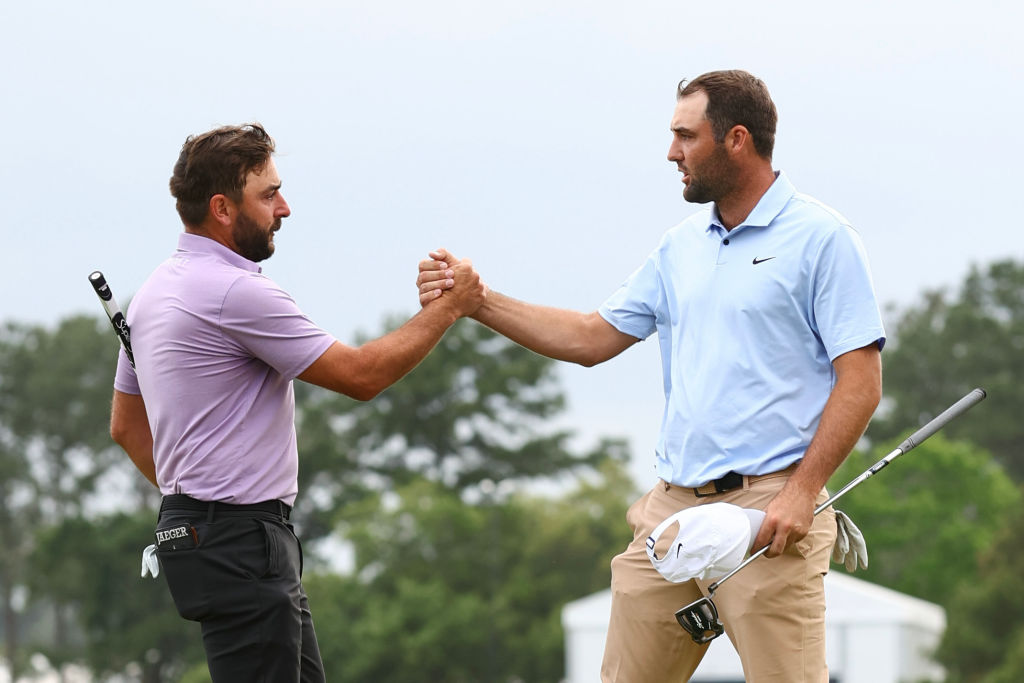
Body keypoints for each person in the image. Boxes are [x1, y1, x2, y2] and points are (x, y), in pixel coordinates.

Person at [417, 70, 884, 682]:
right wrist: (477, 301)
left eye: (686, 137)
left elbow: (861, 381)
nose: (672, 153)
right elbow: (590, 338)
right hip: (670, 516)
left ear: (736, 139)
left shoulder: (824, 239)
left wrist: (803, 491)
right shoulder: (680, 246)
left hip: (772, 515)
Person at [109, 123, 485, 683]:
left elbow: (125, 427)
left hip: (210, 537)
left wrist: (197, 511)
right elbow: (362, 375)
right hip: (242, 543)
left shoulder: (155, 290)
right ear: (222, 208)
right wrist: (451, 307)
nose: (284, 207)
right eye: (268, 194)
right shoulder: (236, 290)